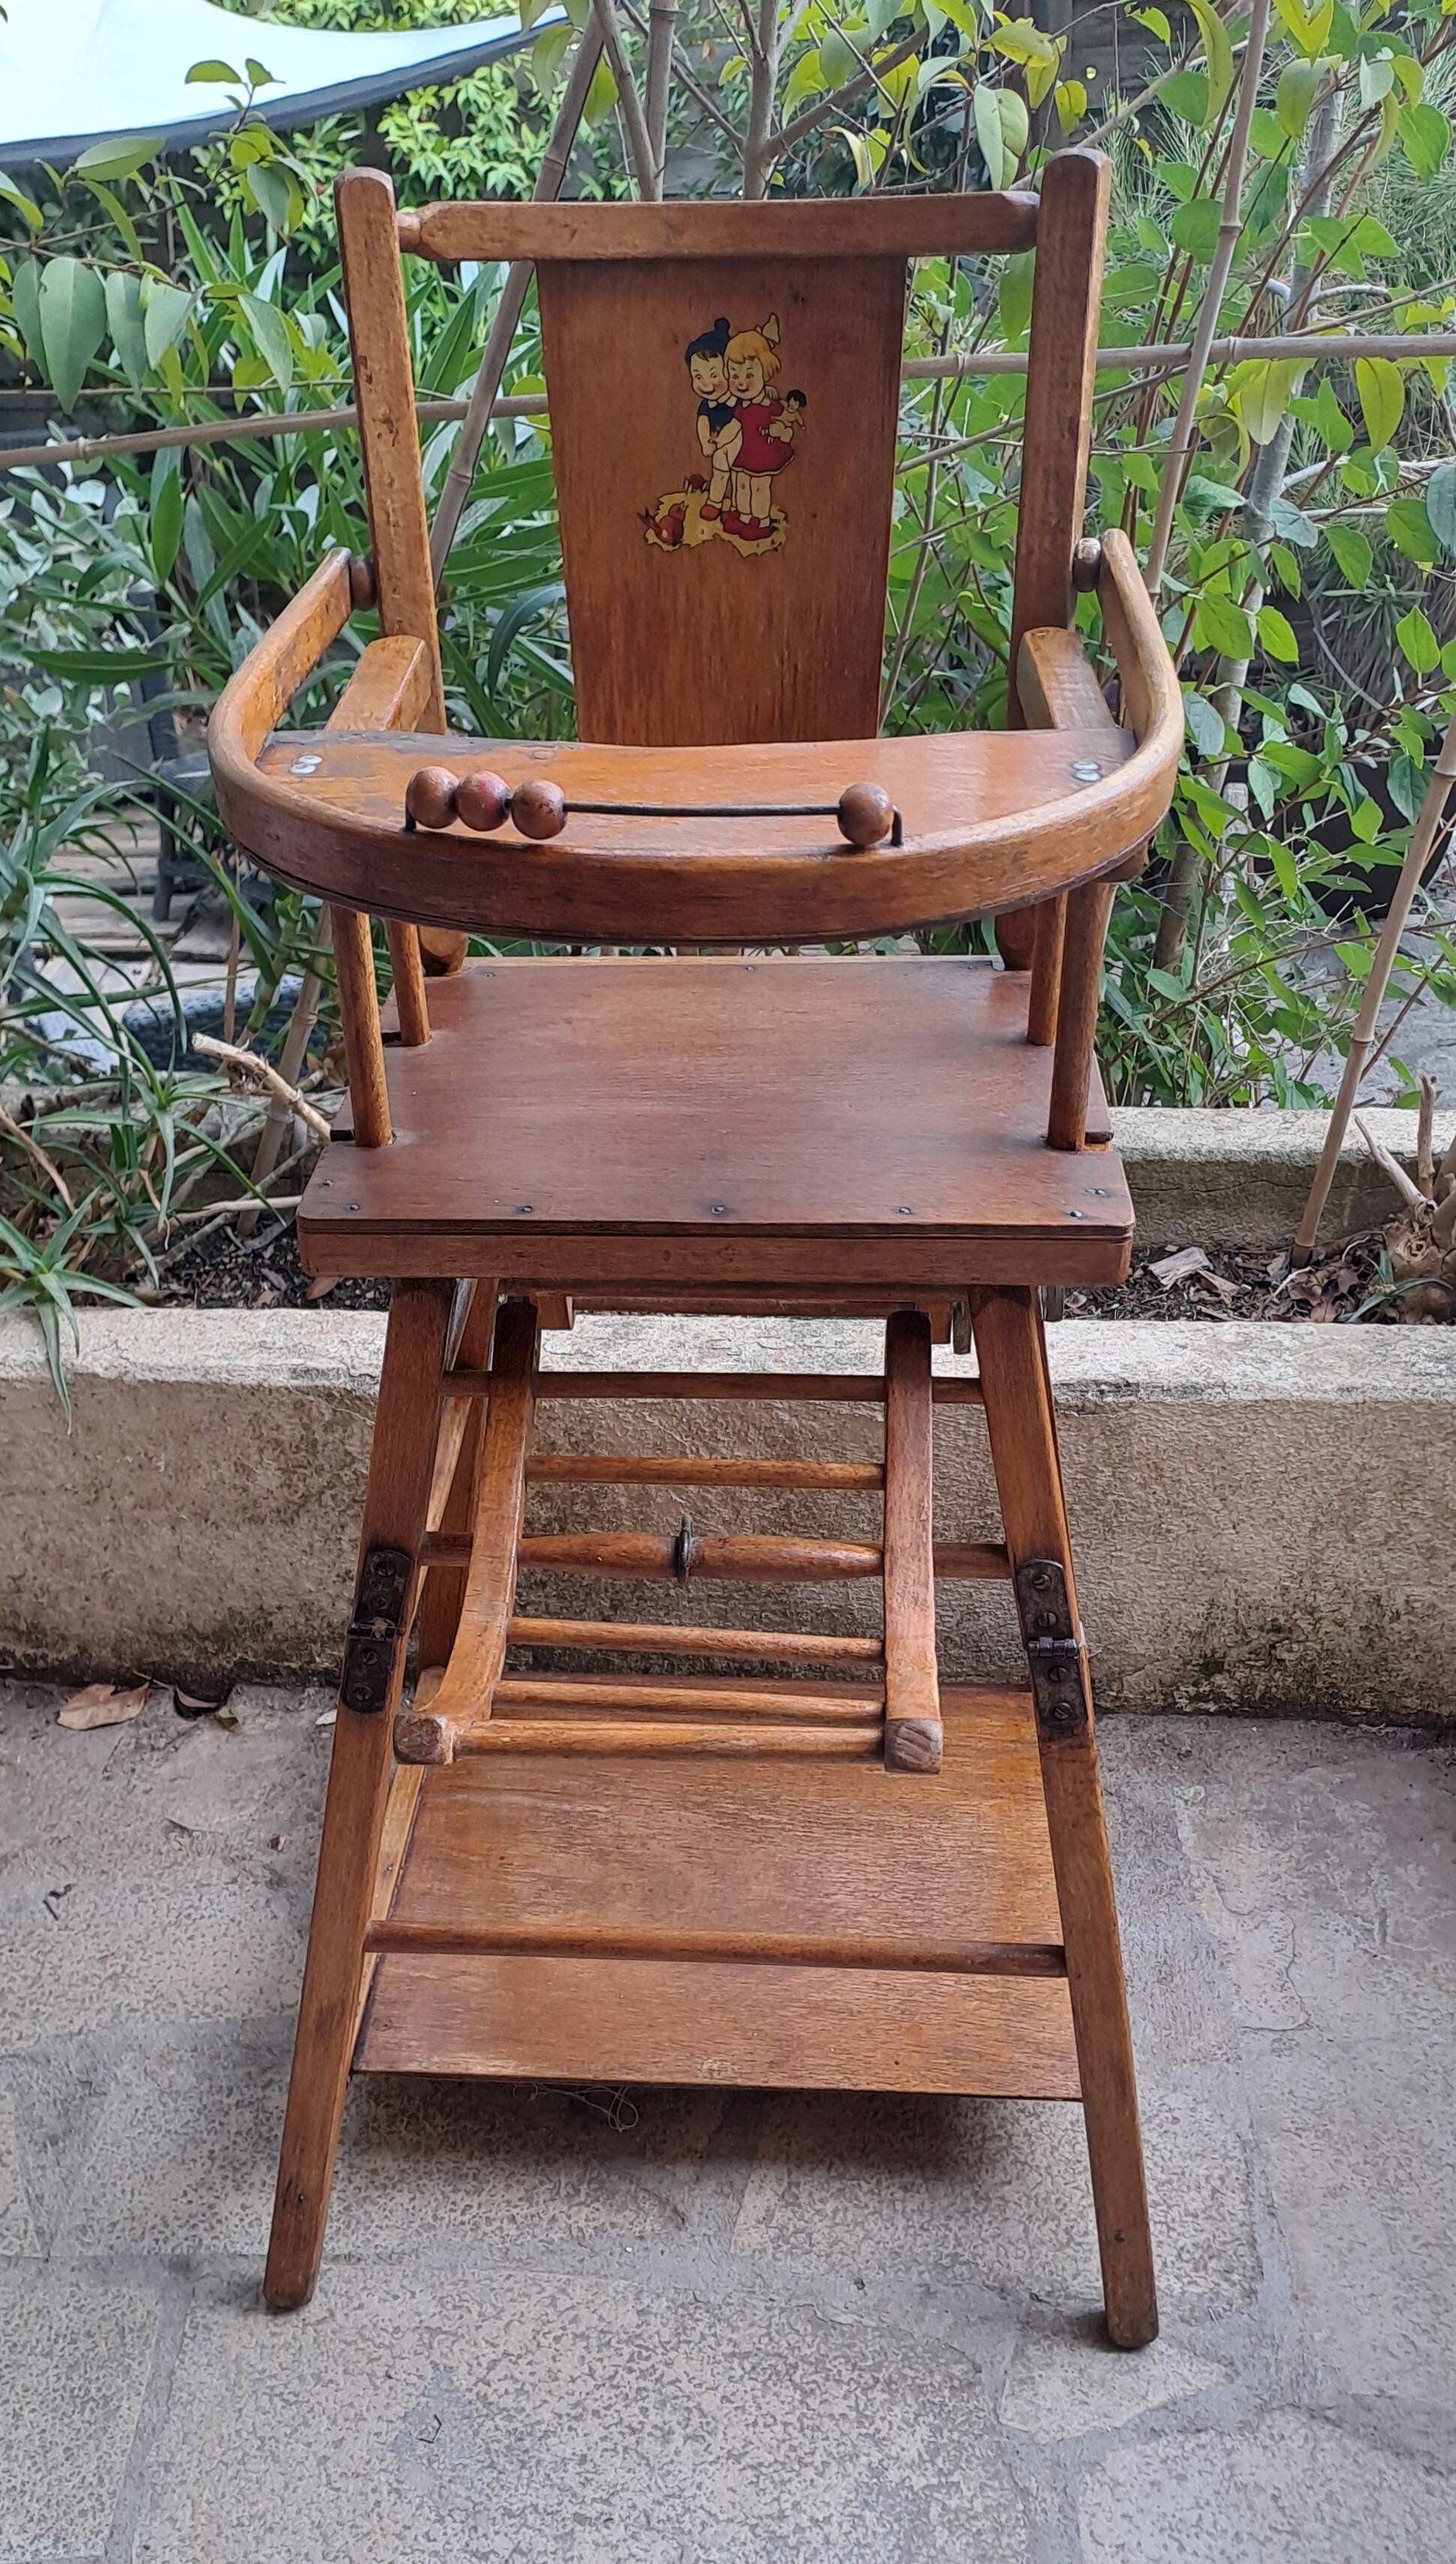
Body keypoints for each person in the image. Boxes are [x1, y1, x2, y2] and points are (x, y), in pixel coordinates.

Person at [723, 316, 797, 540]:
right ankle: (744, 516)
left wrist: (783, 432)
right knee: (741, 483)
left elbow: (786, 423)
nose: (741, 382)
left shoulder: (771, 405)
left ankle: (761, 520)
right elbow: (734, 425)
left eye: (749, 375)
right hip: (746, 452)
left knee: (759, 486)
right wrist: (720, 440)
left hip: (764, 453)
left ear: (765, 373)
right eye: (735, 375)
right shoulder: (742, 407)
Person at [684, 317, 738, 522]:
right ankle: (715, 502)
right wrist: (705, 442)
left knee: (741, 478)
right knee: (720, 472)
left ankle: (739, 507)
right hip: (720, 447)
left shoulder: (740, 401)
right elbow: (703, 421)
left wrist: (723, 439)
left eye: (714, 375)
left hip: (741, 445)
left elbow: (738, 424)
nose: (706, 384)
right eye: (698, 377)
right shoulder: (708, 405)